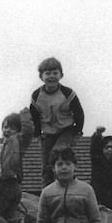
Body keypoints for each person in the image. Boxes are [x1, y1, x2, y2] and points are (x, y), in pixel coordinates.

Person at [29, 57, 85, 187]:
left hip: (67, 130)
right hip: (48, 132)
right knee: (47, 163)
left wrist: (78, 132)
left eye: (55, 73)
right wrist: (37, 134)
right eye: (47, 73)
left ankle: (68, 184)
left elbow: (79, 113)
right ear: (41, 77)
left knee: (58, 153)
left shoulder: (68, 93)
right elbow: (34, 116)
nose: (51, 76)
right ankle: (47, 190)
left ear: (61, 75)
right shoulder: (36, 95)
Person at [88, 126, 112, 211]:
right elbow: (94, 151)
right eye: (106, 147)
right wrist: (98, 135)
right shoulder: (97, 164)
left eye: (111, 147)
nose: (109, 150)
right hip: (98, 205)